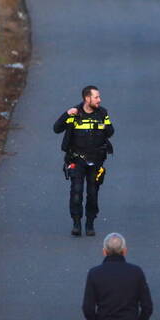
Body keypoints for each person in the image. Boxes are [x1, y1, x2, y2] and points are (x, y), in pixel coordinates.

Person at [54, 85, 114, 236]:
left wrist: (102, 125)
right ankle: (76, 222)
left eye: (99, 97)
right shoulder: (74, 113)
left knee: (93, 193)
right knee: (76, 192)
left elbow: (110, 131)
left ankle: (90, 223)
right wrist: (67, 115)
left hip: (96, 160)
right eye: (96, 97)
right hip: (77, 159)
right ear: (87, 98)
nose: (99, 100)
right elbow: (56, 128)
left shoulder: (102, 113)